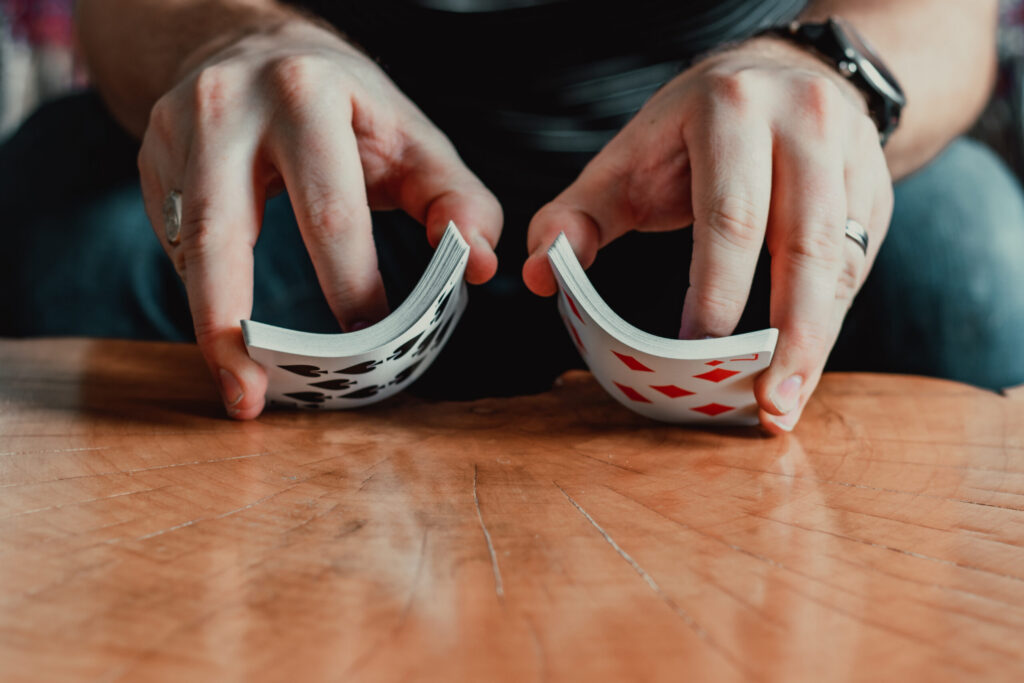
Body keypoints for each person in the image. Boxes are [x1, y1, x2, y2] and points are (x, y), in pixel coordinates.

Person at [2, 0, 1022, 432]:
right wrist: (232, 40)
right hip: (327, 177)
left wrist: (829, 75)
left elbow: (943, 18)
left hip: (720, 184)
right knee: (65, 235)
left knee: (974, 258)